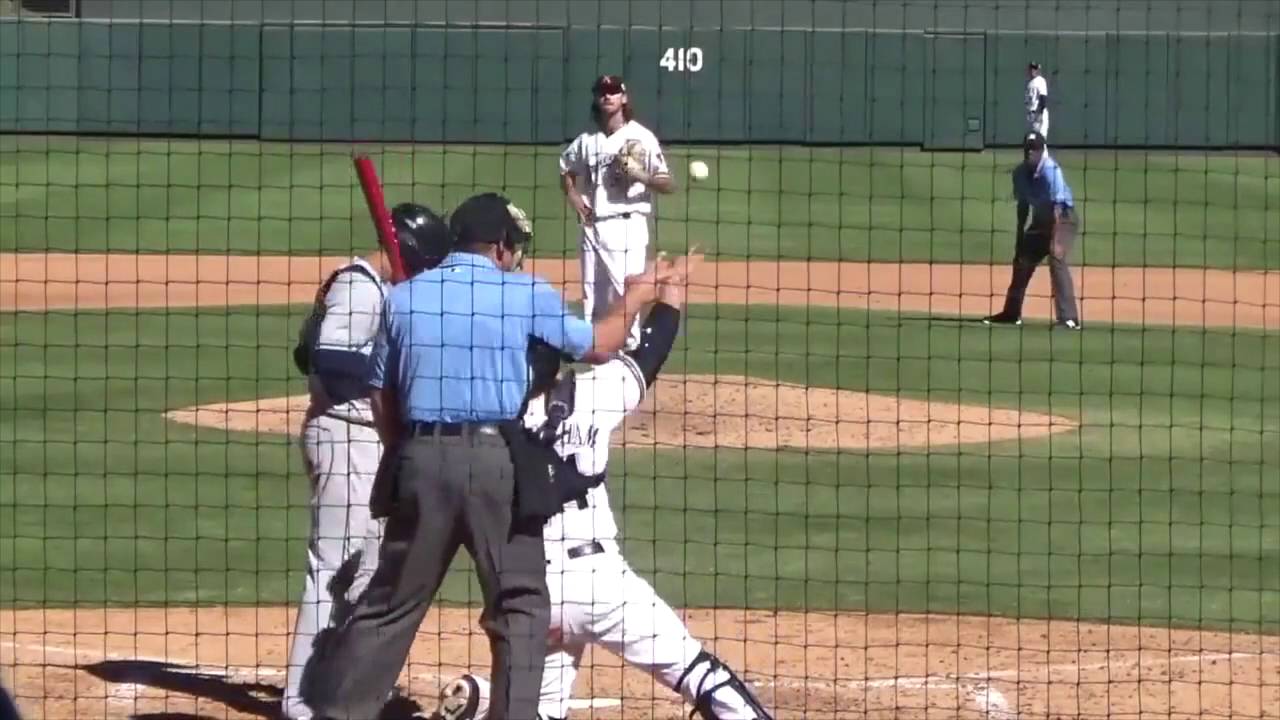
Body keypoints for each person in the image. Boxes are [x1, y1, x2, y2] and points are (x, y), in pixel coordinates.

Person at [301, 192, 683, 720]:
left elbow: (380, 393)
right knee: (522, 608)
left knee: (388, 606)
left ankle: (337, 715)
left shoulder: (404, 298)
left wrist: (405, 453)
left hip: (420, 458)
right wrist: (638, 296)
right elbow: (598, 345)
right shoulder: (525, 293)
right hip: (495, 464)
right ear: (501, 247)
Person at [425, 277, 775, 720]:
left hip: (530, 592)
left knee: (541, 710)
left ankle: (480, 701)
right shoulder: (591, 394)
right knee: (697, 673)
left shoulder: (486, 424)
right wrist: (668, 300)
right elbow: (649, 355)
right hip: (602, 585)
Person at [282, 202, 453, 720]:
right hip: (345, 437)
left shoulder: (376, 289)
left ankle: (340, 686)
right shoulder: (360, 285)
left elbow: (303, 350)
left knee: (372, 567)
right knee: (333, 566)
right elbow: (326, 362)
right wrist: (394, 364)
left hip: (367, 442)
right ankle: (302, 700)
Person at [560, 73, 675, 350]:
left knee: (627, 296)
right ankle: (597, 358)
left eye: (613, 91)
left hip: (627, 226)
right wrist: (574, 197)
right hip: (592, 228)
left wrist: (642, 175)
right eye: (602, 92)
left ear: (623, 98)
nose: (607, 96)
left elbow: (668, 184)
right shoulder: (587, 141)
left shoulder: (641, 137)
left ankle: (630, 356)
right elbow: (565, 169)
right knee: (593, 301)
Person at [984, 131, 1081, 330]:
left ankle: (1069, 319)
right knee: (1022, 259)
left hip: (1063, 218)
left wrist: (1054, 240)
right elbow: (1023, 207)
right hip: (1040, 220)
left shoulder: (1051, 171)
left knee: (1056, 257)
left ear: (1042, 150)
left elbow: (1057, 207)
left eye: (1035, 150)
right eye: (1028, 150)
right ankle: (1011, 314)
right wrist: (1020, 238)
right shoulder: (1019, 173)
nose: (1031, 154)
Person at [1025, 61, 1049, 140]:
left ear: (1038, 70)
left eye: (1035, 69)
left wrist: (1040, 114)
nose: (1033, 71)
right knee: (1032, 140)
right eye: (1031, 69)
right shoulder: (1029, 83)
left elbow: (1043, 98)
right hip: (1032, 115)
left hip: (1038, 113)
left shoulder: (1041, 80)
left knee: (1040, 140)